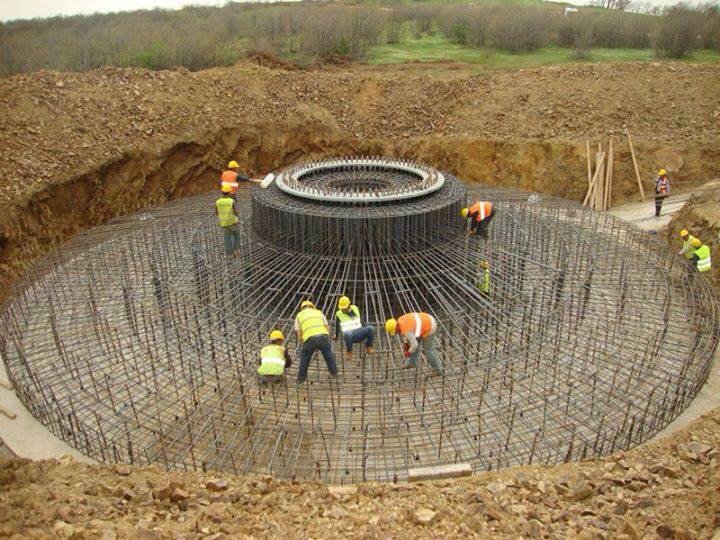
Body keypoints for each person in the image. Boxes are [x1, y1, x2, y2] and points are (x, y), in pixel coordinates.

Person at [295, 300, 338, 384]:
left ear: (302, 308)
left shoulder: (299, 315)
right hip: (323, 336)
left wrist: (303, 344)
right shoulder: (319, 312)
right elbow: (327, 327)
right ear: (312, 306)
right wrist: (326, 339)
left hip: (309, 338)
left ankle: (301, 378)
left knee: (305, 358)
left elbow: (298, 332)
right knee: (328, 355)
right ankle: (334, 372)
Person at [215, 185, 241, 257]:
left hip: (224, 223)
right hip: (232, 222)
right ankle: (237, 251)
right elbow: (236, 212)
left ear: (222, 192)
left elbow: (216, 212)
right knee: (236, 236)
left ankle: (230, 254)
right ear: (229, 192)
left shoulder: (218, 202)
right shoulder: (231, 201)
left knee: (227, 239)